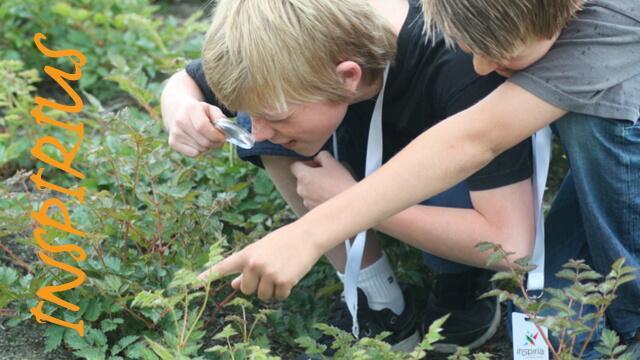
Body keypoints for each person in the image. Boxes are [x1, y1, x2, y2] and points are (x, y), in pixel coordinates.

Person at [206, 0, 640, 358]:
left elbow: (475, 138)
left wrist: (312, 232)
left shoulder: (611, 23)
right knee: (559, 336)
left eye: (502, 53)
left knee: (599, 124)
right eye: (471, 47)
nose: (481, 67)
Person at [161, 0, 537, 353]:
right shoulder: (284, 50)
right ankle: (378, 299)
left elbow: (511, 244)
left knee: (452, 174)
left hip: (453, 166)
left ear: (348, 76)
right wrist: (183, 109)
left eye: (274, 116)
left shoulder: (458, 61)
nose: (257, 132)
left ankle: (460, 280)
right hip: (361, 137)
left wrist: (351, 203)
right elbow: (185, 81)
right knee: (270, 130)